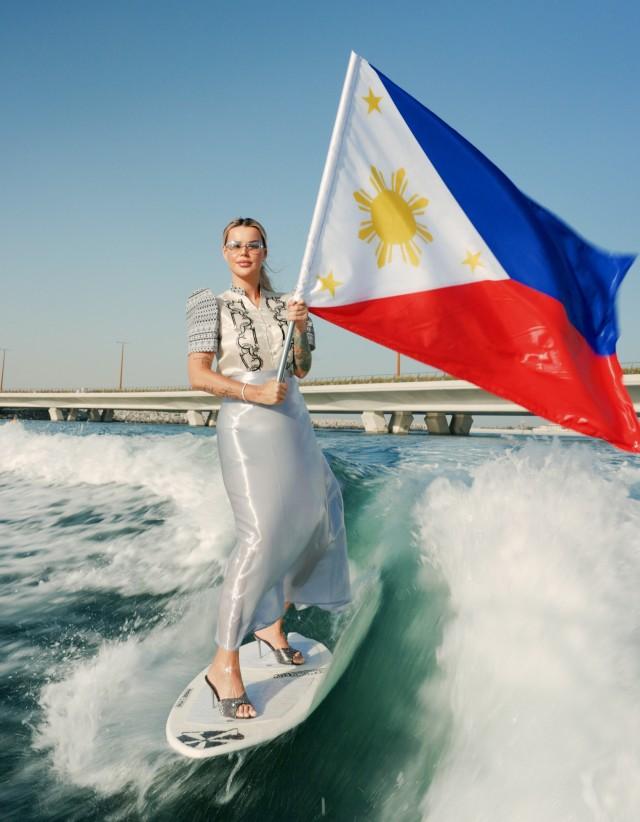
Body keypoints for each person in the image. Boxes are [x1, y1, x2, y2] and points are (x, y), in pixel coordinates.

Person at [186, 217, 351, 719]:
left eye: (253, 244)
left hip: (293, 422)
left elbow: (301, 368)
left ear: (264, 251)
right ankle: (224, 662)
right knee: (259, 538)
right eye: (235, 245)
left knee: (315, 519)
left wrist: (300, 327)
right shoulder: (208, 304)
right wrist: (250, 392)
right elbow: (198, 375)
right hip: (246, 426)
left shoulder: (290, 304)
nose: (244, 251)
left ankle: (273, 624)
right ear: (224, 252)